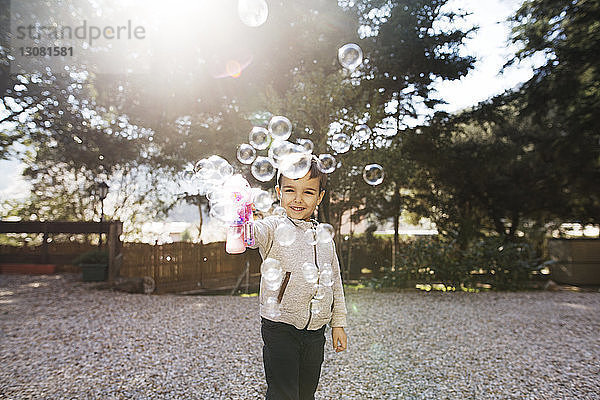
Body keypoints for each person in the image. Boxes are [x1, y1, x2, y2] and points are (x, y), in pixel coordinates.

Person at [248, 158, 348, 400]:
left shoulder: (324, 236)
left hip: (315, 331)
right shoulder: (272, 227)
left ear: (320, 196)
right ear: (279, 192)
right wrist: (241, 218)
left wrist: (338, 323)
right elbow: (251, 235)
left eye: (308, 192)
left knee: (306, 393)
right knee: (283, 393)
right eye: (290, 190)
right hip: (280, 326)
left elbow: (334, 281)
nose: (298, 199)